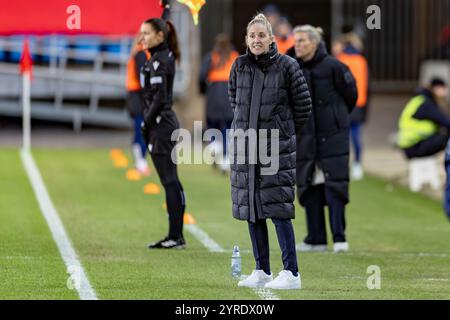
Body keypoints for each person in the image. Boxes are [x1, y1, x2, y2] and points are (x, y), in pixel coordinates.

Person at [228, 14, 312, 289]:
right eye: (252, 36)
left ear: (272, 39)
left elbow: (303, 107)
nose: (256, 40)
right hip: (247, 147)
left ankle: (292, 273)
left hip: (276, 148)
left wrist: (281, 133)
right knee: (252, 209)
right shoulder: (239, 66)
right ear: (246, 40)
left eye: (261, 36)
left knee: (278, 209)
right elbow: (234, 101)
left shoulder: (288, 66)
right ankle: (262, 269)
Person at [287, 25, 357, 253]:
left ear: (315, 44)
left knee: (335, 185)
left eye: (302, 41)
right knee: (309, 185)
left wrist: (336, 119)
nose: (297, 45)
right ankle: (315, 239)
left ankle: (339, 238)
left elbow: (351, 96)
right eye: (295, 41)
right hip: (306, 137)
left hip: (333, 137)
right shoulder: (292, 66)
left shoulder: (335, 67)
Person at [140, 17, 186, 249]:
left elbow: (159, 98)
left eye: (147, 33)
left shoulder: (161, 60)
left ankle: (175, 235)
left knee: (170, 181)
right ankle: (174, 234)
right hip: (159, 124)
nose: (143, 38)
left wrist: (145, 123)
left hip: (162, 125)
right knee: (170, 181)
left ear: (160, 35)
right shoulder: (155, 58)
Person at [199, 34, 238, 172]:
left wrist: (204, 91)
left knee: (213, 125)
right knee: (228, 128)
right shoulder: (235, 57)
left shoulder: (210, 57)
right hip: (230, 95)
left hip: (214, 94)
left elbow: (201, 76)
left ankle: (216, 145)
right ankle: (226, 159)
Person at [333, 32, 370, 181]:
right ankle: (357, 164)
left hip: (343, 102)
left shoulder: (341, 60)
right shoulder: (361, 61)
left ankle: (341, 164)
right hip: (359, 103)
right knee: (355, 135)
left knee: (341, 134)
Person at [397, 78, 450, 159]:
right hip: (414, 146)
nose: (445, 92)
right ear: (436, 88)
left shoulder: (421, 99)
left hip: (411, 145)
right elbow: (444, 121)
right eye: (443, 89)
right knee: (447, 139)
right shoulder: (426, 103)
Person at [126, 36, 151, 176]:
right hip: (139, 98)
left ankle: (140, 160)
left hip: (135, 97)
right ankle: (141, 161)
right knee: (142, 130)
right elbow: (143, 79)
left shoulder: (137, 55)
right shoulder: (141, 55)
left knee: (139, 129)